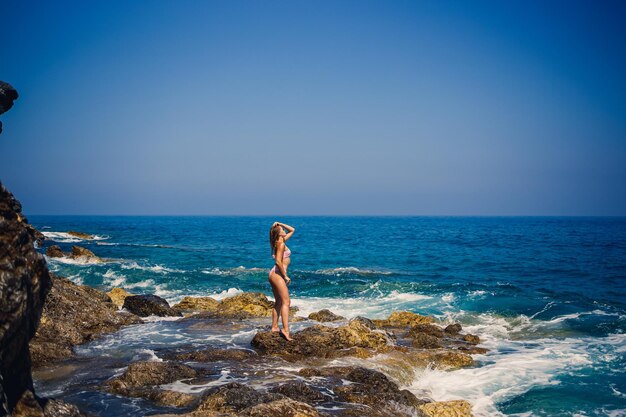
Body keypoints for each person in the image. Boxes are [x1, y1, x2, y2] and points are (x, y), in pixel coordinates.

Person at [268, 221, 295, 341]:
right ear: (279, 233)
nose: (284, 231)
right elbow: (278, 261)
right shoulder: (281, 244)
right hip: (278, 274)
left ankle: (274, 327)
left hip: (274, 274)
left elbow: (292, 230)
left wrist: (280, 224)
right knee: (286, 302)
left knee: (278, 301)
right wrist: (285, 276)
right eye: (282, 230)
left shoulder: (280, 241)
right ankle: (285, 330)